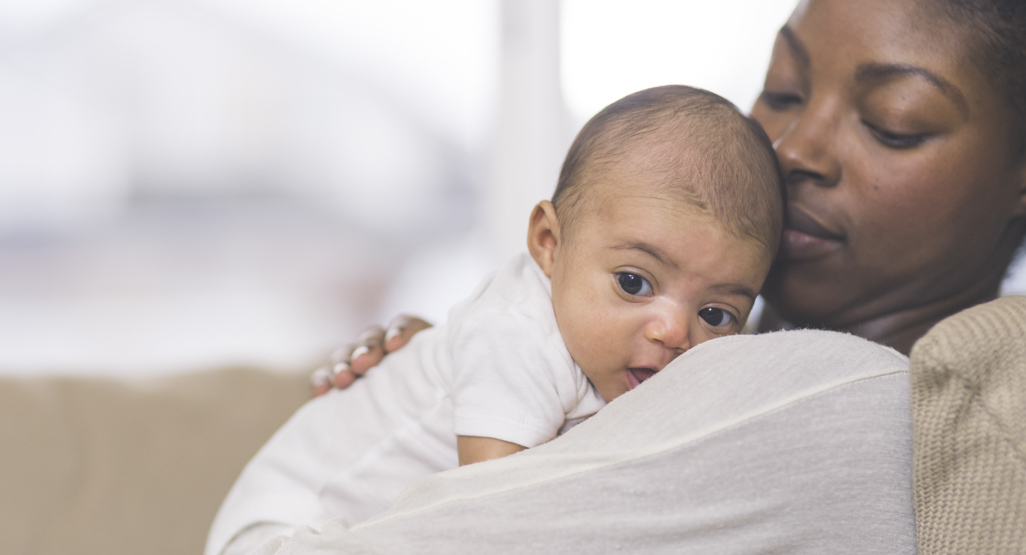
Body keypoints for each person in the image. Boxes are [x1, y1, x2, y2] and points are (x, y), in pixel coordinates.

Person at [268, 0, 1025, 552]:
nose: (794, 149)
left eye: (893, 120)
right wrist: (459, 379)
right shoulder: (692, 358)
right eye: (784, 90)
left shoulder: (840, 398)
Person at [206, 85, 784, 555]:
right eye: (634, 282)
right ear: (549, 243)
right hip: (287, 528)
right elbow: (494, 524)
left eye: (715, 313)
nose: (674, 332)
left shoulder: (646, 363)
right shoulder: (516, 336)